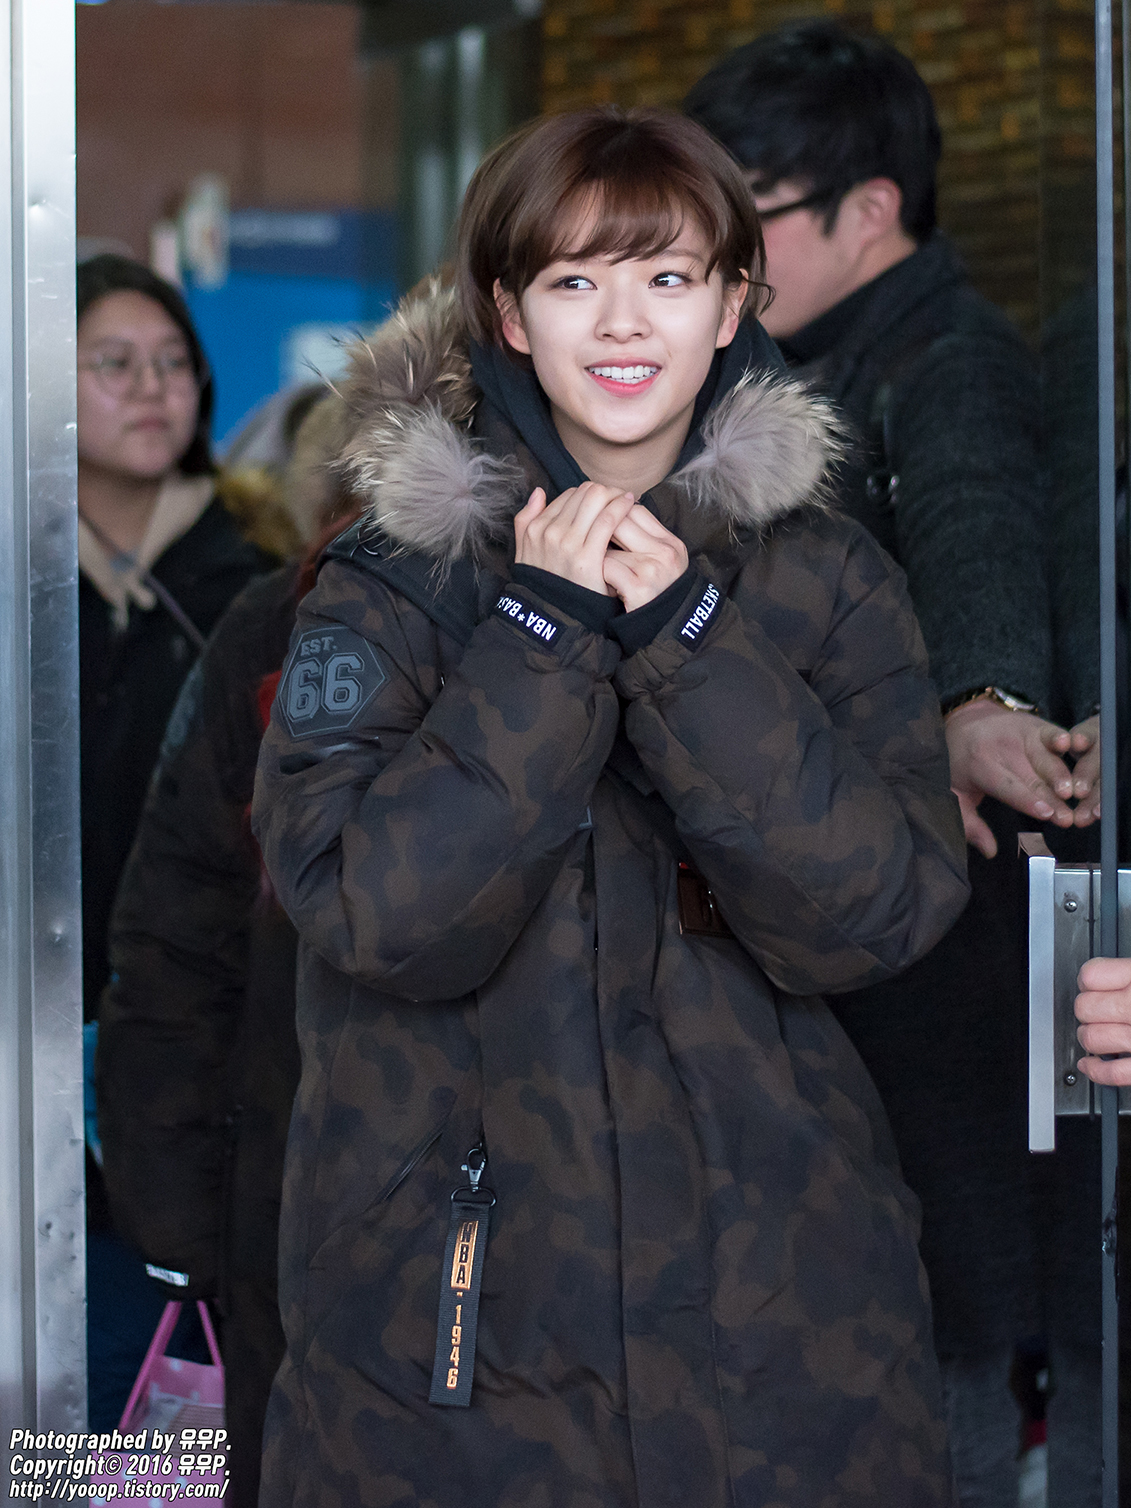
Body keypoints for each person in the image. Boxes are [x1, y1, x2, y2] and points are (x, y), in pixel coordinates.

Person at [251, 106, 970, 1506]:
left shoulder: (825, 576)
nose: (623, 321)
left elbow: (874, 911)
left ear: (731, 306)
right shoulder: (391, 583)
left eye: (668, 276)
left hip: (784, 1321)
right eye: (573, 279)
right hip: (460, 1332)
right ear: (509, 315)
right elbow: (378, 917)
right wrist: (541, 627)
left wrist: (686, 632)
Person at [685, 22, 1100, 1506]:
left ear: (869, 209)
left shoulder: (941, 353)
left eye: (749, 219)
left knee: (958, 1322)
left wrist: (984, 693)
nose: (718, 266)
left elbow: (980, 519)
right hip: (894, 941)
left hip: (959, 951)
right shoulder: (793, 365)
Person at [97, 402, 359, 1507]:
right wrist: (174, 1221)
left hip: (352, 1195)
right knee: (119, 1422)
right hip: (258, 1181)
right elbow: (174, 939)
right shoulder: (277, 617)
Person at [77, 253, 277, 1427]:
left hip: (192, 1044)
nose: (153, 388)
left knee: (154, 1403)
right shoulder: (26, 585)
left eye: (173, 363)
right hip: (33, 1034)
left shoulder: (252, 583)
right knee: (39, 1398)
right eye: (114, 363)